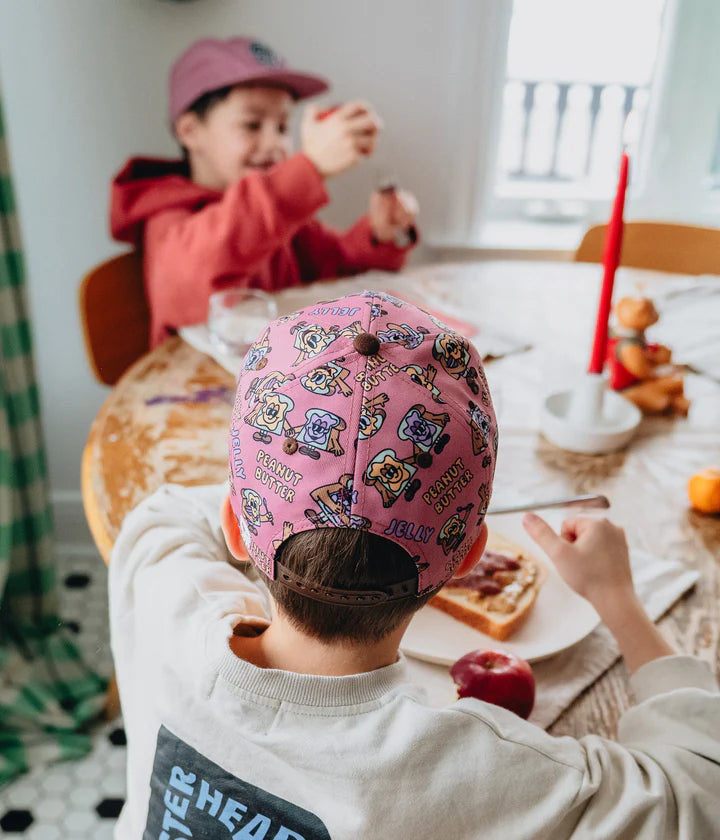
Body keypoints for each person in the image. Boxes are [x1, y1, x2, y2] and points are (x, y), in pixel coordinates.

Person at [109, 291, 720, 839]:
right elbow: (697, 793)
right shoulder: (484, 775)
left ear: (237, 526)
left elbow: (170, 514)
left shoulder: (164, 588)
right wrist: (617, 598)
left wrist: (296, 476)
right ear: (469, 558)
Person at [109, 38, 419, 348]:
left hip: (279, 382)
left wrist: (379, 235)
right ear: (191, 131)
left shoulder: (278, 212)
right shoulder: (168, 215)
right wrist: (308, 168)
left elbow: (335, 267)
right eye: (252, 124)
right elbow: (195, 279)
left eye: (283, 127)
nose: (275, 144)